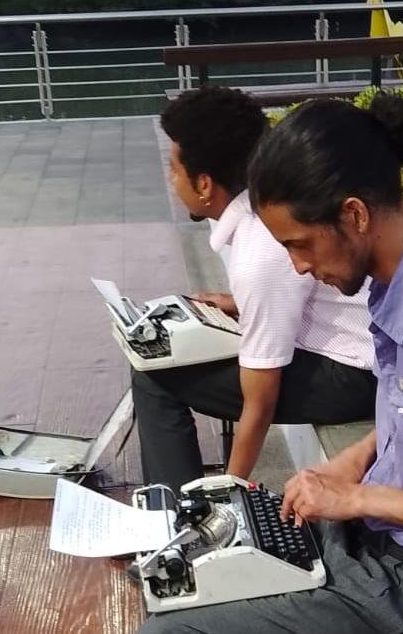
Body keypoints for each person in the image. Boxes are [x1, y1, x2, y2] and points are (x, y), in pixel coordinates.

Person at [139, 95, 403, 634]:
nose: (298, 266)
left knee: (169, 630)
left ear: (354, 215)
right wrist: (353, 461)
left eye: (301, 245)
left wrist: (355, 496)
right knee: (190, 577)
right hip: (376, 539)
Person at [132, 86, 377, 493]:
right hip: (351, 354)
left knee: (155, 376)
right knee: (163, 362)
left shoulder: (259, 250)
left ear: (205, 185)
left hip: (356, 376)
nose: (171, 180)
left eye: (173, 169)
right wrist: (239, 304)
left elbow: (259, 402)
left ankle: (178, 511)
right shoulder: (266, 209)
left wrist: (226, 493)